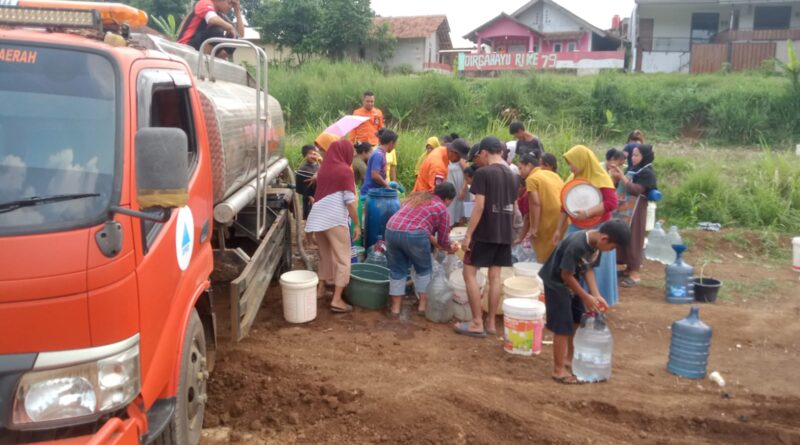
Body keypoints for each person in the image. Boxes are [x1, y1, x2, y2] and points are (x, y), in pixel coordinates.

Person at [538, 220, 630, 384]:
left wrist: (596, 294)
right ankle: (558, 369)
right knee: (562, 326)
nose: (611, 251)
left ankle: (570, 359)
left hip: (572, 282)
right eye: (613, 248)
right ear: (604, 239)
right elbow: (565, 274)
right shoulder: (577, 245)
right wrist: (585, 296)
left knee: (576, 320)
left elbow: (588, 269)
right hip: (556, 283)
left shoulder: (596, 244)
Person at [455, 137, 518, 338]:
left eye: (478, 156)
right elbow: (514, 207)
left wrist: (468, 235)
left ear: (484, 152)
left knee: (469, 273)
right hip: (504, 231)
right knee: (495, 276)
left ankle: (476, 322)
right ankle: (490, 322)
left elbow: (479, 206)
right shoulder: (512, 174)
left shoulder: (483, 174)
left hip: (485, 231)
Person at [554, 145, 620, 306]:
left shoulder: (601, 177)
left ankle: (599, 302)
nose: (571, 167)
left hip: (599, 230)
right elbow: (565, 206)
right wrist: (558, 230)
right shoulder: (572, 179)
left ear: (583, 161)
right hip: (576, 228)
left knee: (596, 267)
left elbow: (611, 203)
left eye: (572, 163)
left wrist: (588, 212)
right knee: (570, 265)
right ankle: (578, 303)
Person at [304, 140, 361, 313]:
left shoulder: (323, 170)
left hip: (318, 219)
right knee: (343, 259)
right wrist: (357, 224)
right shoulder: (345, 171)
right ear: (345, 153)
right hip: (335, 219)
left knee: (325, 255)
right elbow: (350, 203)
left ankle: (321, 289)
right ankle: (337, 300)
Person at [385, 183, 459, 317]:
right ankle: (422, 306)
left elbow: (420, 227)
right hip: (415, 235)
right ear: (448, 199)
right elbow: (443, 241)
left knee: (397, 270)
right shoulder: (442, 208)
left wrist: (438, 244)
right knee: (424, 270)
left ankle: (395, 309)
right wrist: (451, 248)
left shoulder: (419, 199)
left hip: (391, 229)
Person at [610, 144, 657, 288]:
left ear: (645, 157)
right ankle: (628, 269)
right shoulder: (634, 169)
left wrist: (622, 177)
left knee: (634, 238)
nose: (633, 157)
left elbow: (637, 189)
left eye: (636, 155)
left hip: (636, 210)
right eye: (632, 155)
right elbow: (623, 185)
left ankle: (635, 274)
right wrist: (617, 176)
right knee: (623, 236)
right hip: (625, 208)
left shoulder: (647, 173)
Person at [177, 0, 244, 58]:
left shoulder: (220, 14)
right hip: (186, 45)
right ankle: (204, 60)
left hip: (199, 46)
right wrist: (230, 27)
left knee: (233, 41)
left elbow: (240, 34)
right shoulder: (205, 3)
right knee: (216, 31)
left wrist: (237, 10)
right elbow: (211, 19)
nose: (231, 7)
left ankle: (209, 61)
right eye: (230, 3)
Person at [360, 129, 398, 196]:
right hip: (369, 194)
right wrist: (387, 186)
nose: (395, 146)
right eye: (395, 143)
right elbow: (375, 175)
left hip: (374, 192)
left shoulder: (381, 153)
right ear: (391, 143)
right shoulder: (378, 155)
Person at [444, 139, 470, 226]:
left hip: (459, 188)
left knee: (459, 213)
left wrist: (463, 189)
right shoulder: (446, 156)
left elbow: (468, 174)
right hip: (449, 188)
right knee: (449, 211)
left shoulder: (461, 159)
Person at [295, 144, 321, 219]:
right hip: (309, 199)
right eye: (310, 153)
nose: (313, 156)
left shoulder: (320, 166)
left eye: (314, 153)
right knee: (310, 218)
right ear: (305, 156)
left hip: (320, 196)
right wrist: (309, 196)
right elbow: (300, 187)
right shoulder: (302, 170)